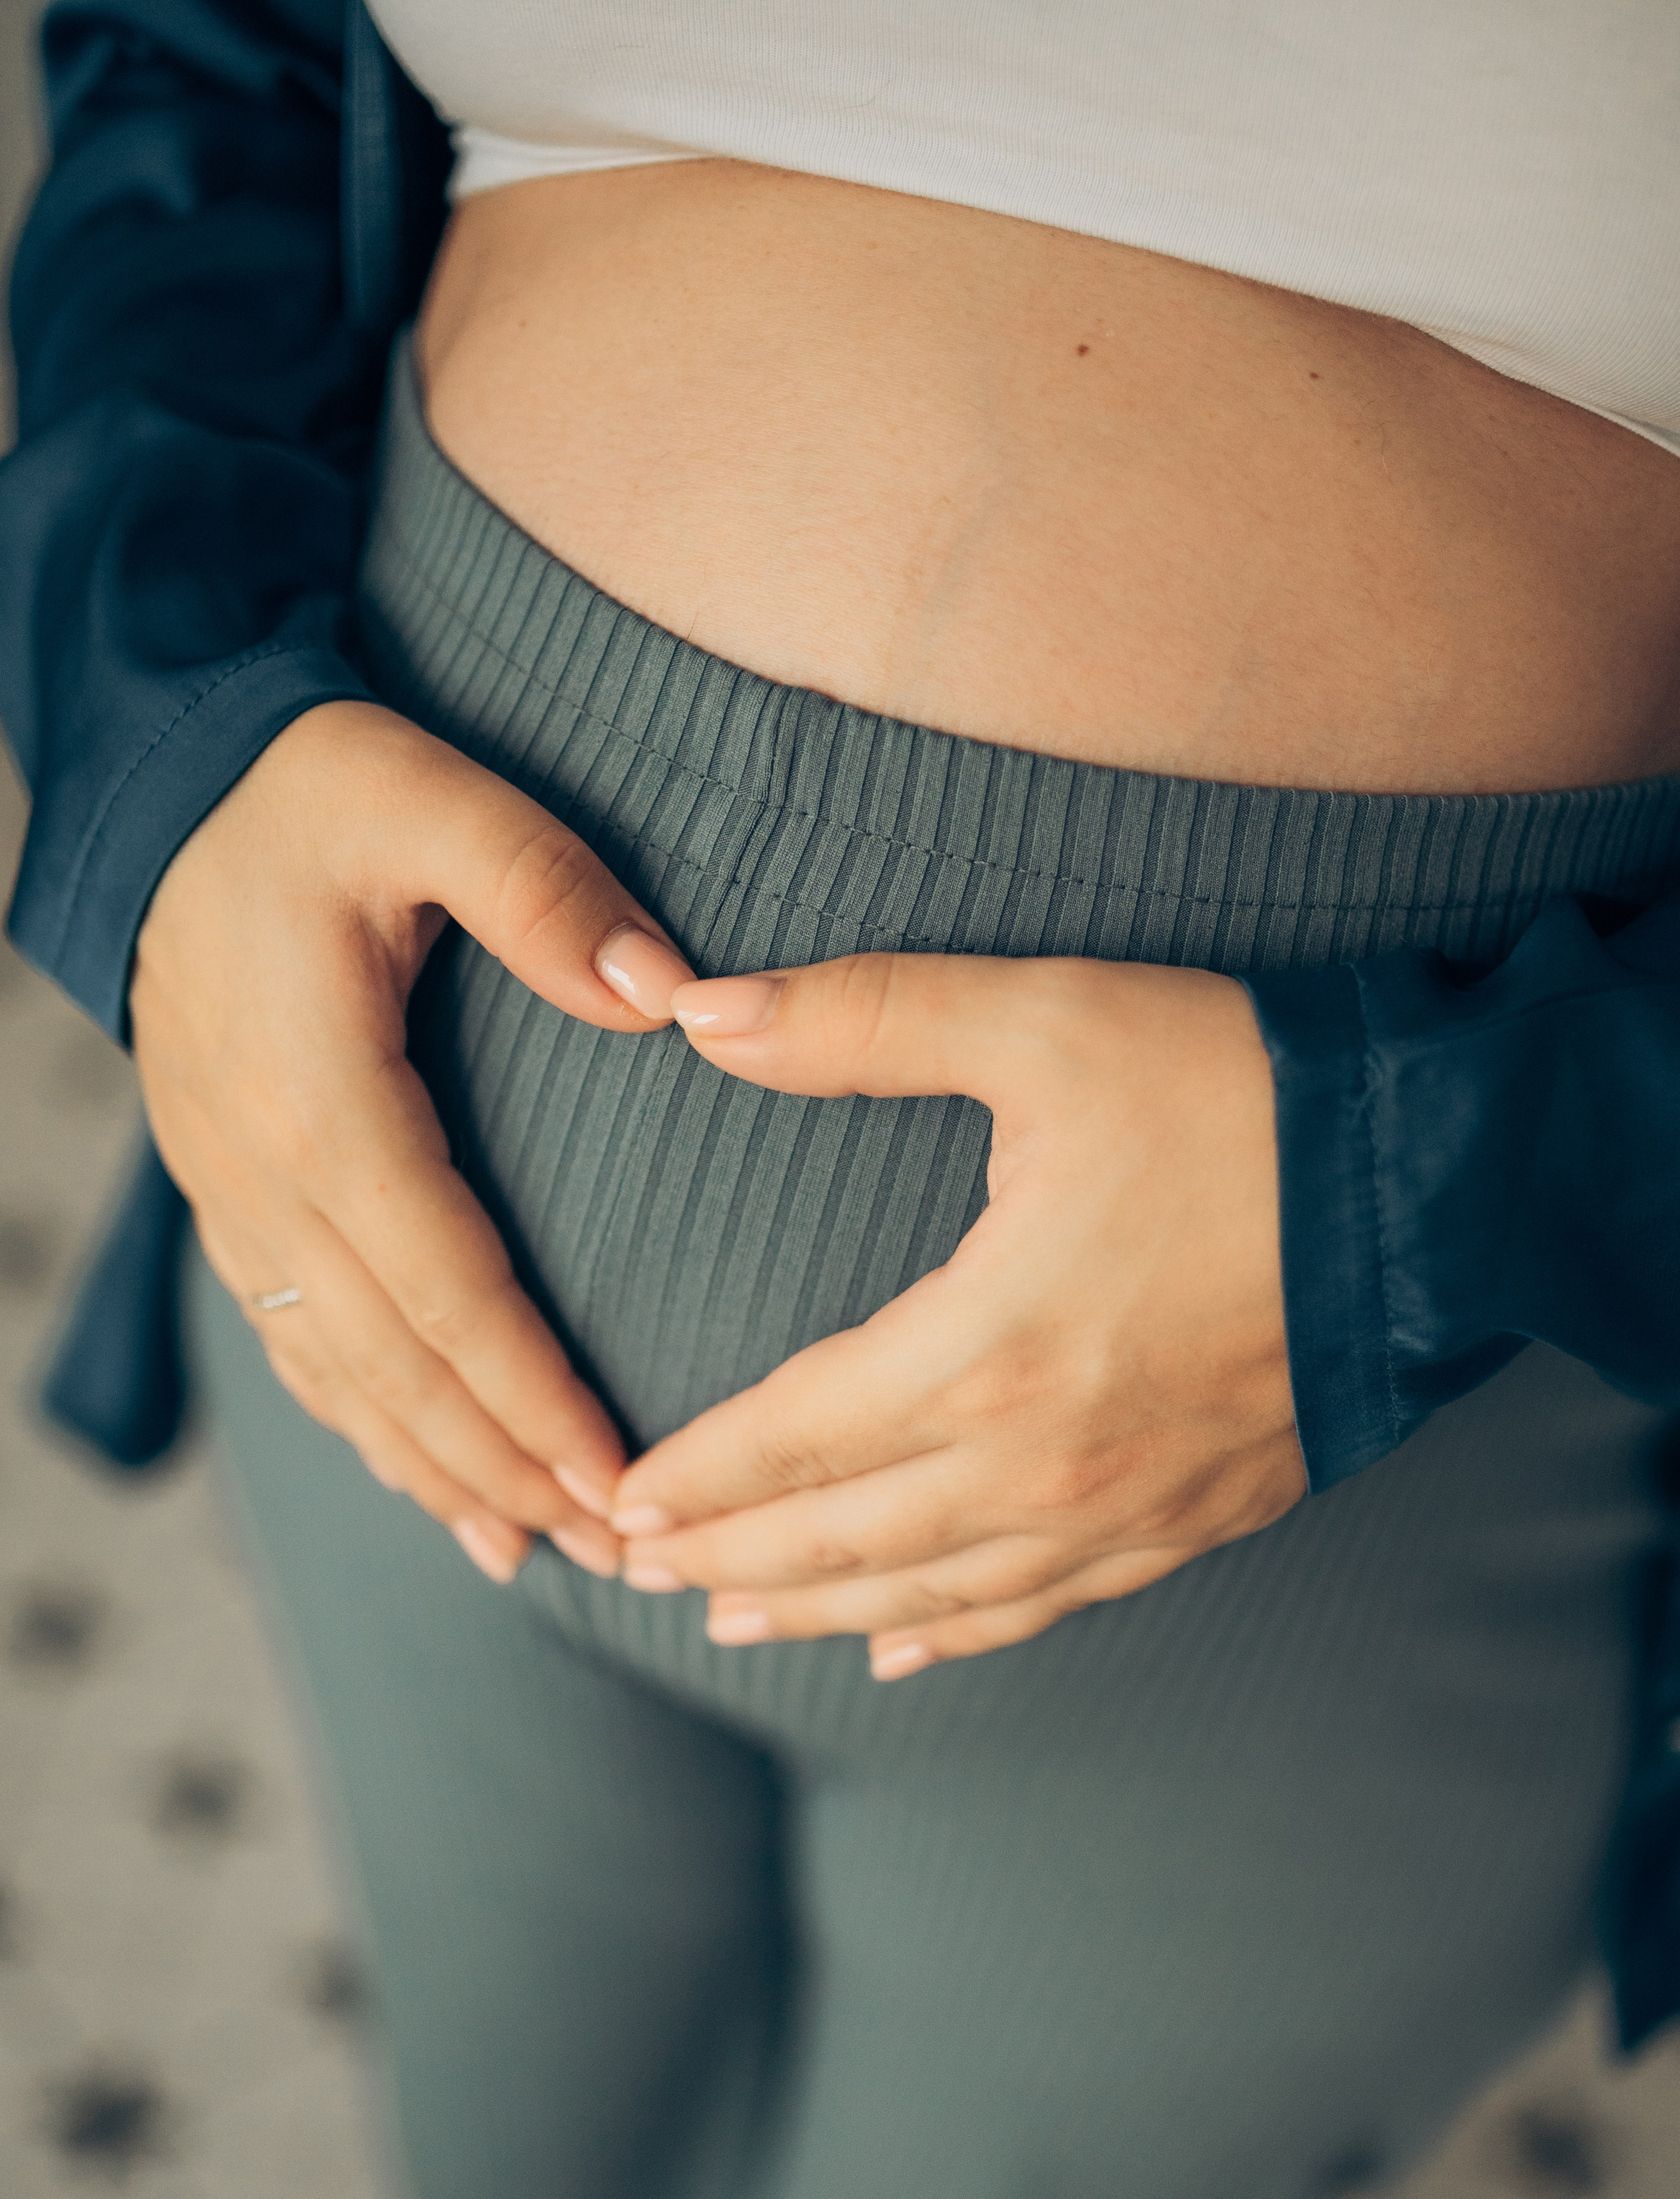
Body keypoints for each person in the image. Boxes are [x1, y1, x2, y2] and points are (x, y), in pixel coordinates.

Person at [4, 5, 1680, 2195]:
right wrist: (174, 746)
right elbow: (194, 47)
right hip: (406, 1349)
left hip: (1326, 1574)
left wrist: (1439, 1176)